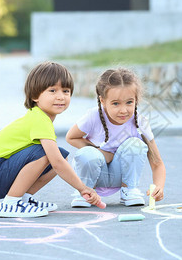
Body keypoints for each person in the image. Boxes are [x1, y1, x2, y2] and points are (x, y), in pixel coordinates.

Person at [0, 61, 101, 218]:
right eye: (52, 90)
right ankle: (11, 203)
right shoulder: (39, 119)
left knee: (60, 153)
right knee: (49, 154)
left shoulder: (41, 118)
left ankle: (24, 199)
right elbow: (57, 163)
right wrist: (83, 188)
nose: (60, 97)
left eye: (66, 91)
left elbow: (58, 159)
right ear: (35, 96)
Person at [66, 68, 166, 207]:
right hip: (95, 173)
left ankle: (129, 191)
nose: (123, 110)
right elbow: (71, 137)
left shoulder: (140, 122)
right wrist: (100, 152)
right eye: (115, 103)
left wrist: (158, 186)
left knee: (136, 145)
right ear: (102, 100)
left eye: (129, 102)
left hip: (120, 175)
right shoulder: (93, 116)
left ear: (136, 100)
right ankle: (86, 192)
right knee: (86, 154)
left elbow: (157, 163)